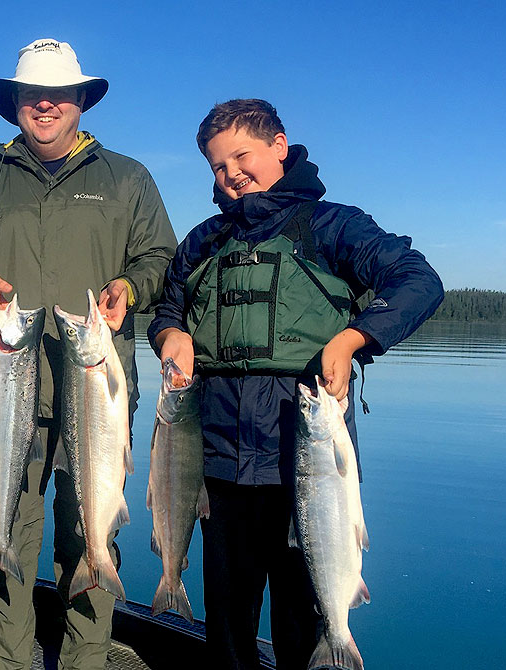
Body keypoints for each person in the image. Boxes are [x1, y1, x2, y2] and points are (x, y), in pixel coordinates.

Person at [148, 99, 444, 669]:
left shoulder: (333, 227)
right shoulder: (205, 240)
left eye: (242, 155)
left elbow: (418, 279)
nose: (231, 174)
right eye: (217, 165)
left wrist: (355, 337)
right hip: (216, 466)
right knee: (228, 630)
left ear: (280, 146)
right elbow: (169, 306)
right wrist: (169, 335)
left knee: (299, 621)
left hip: (305, 464)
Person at [0, 39, 178, 669]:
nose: (45, 105)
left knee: (91, 535)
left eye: (59, 94)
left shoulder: (128, 179)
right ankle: (5, 662)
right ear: (14, 102)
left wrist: (132, 286)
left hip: (95, 394)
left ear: (80, 101)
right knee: (4, 535)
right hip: (7, 398)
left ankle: (85, 661)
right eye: (32, 94)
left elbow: (159, 260)